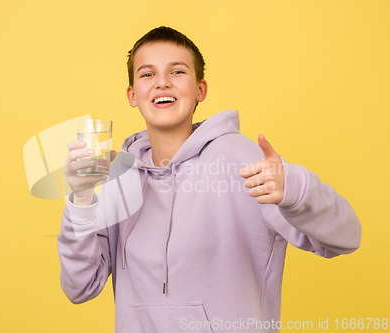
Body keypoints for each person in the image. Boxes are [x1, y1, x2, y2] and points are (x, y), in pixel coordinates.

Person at [57, 26, 361, 333]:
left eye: (177, 71)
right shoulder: (118, 179)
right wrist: (81, 199)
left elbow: (346, 238)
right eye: (148, 74)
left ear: (200, 89)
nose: (162, 82)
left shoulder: (243, 159)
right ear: (132, 95)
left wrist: (295, 189)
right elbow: (80, 287)